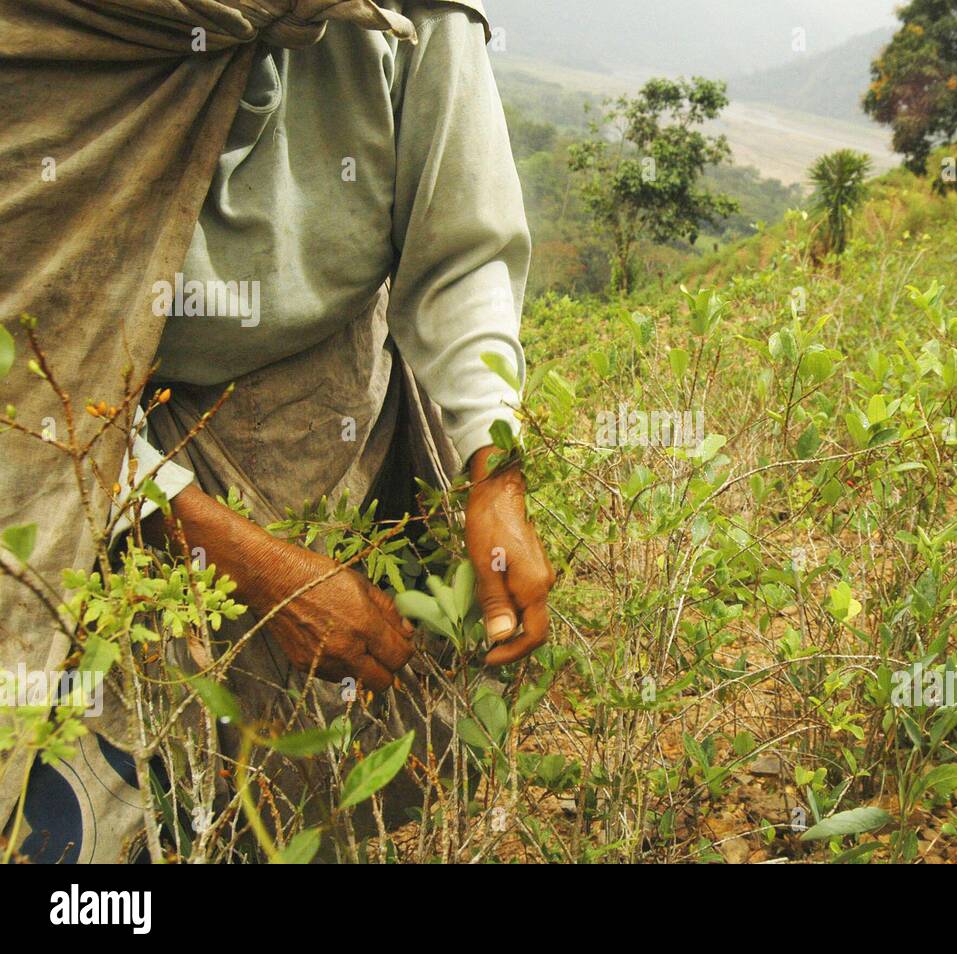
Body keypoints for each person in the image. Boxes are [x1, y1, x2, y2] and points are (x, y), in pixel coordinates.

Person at [5, 0, 555, 862]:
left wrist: (495, 470)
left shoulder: (408, 18)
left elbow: (463, 249)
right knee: (103, 816)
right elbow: (25, 368)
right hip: (84, 427)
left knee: (302, 795)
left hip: (329, 410)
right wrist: (235, 554)